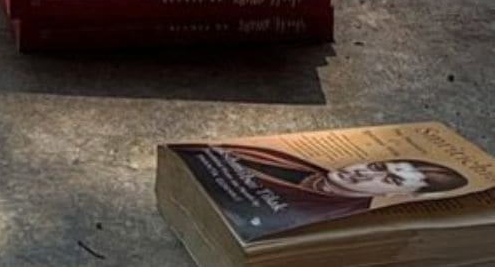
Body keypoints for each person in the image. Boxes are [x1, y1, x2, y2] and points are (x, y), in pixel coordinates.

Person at [175, 143, 469, 237]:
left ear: (396, 196)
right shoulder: (292, 162)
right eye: (380, 166)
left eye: (389, 180)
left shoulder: (332, 216)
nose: (365, 171)